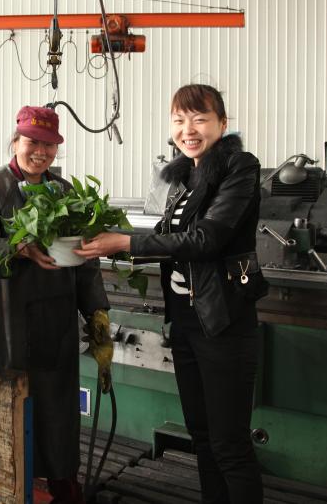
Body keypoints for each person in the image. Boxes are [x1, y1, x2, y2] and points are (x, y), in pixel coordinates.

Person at [75, 84, 268, 504]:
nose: (188, 130)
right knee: (202, 436)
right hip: (185, 320)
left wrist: (124, 243)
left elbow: (207, 239)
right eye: (179, 120)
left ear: (222, 123)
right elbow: (169, 236)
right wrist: (100, 239)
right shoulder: (183, 177)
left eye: (199, 119)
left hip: (222, 322)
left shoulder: (239, 167)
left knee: (229, 444)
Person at [0, 106, 111, 504]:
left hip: (56, 321)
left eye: (49, 145)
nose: (40, 152)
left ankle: (64, 486)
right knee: (10, 405)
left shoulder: (65, 193)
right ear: (15, 141)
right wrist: (16, 248)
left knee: (57, 409)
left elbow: (86, 258)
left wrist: (96, 311)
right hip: (7, 322)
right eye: (32, 142)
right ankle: (13, 487)